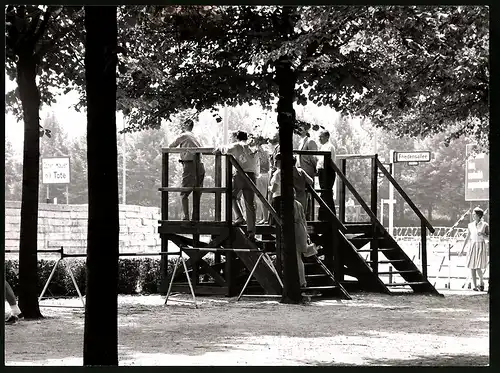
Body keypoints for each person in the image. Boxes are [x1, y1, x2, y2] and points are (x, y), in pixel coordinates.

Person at [216, 131, 258, 241]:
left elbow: (226, 150)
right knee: (250, 204)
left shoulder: (238, 145)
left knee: (231, 195)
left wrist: (218, 148)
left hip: (241, 174)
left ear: (236, 137)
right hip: (252, 176)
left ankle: (239, 217)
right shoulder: (250, 147)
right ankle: (251, 231)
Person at [169, 119, 205, 221]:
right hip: (201, 165)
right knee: (197, 192)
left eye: (183, 124)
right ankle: (195, 217)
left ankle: (186, 217)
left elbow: (171, 146)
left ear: (187, 124)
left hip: (190, 164)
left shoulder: (184, 135)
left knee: (184, 192)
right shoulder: (196, 137)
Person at [459, 207, 489, 291]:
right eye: (472, 214)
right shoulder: (470, 225)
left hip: (481, 246)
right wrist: (462, 249)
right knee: (472, 267)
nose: (473, 216)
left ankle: (482, 282)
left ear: (479, 215)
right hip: (472, 246)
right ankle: (475, 286)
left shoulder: (485, 225)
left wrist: (483, 235)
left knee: (478, 267)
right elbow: (467, 237)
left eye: (474, 214)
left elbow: (489, 238)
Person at [296, 123, 318, 219]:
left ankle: (308, 217)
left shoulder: (310, 141)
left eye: (300, 129)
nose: (298, 131)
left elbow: (314, 157)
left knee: (309, 194)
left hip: (308, 171)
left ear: (306, 130)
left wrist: (314, 168)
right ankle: (302, 215)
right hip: (301, 171)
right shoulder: (301, 142)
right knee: (302, 194)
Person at [316, 130, 337, 220]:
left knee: (326, 193)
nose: (319, 138)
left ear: (327, 137)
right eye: (319, 137)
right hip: (322, 171)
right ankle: (326, 216)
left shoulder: (329, 147)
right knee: (324, 193)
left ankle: (328, 216)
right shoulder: (323, 147)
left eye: (322, 137)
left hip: (327, 171)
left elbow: (327, 161)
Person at [254, 137, 271, 224]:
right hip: (265, 175)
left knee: (261, 197)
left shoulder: (258, 152)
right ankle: (264, 217)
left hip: (261, 175)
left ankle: (264, 217)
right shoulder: (266, 151)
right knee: (262, 197)